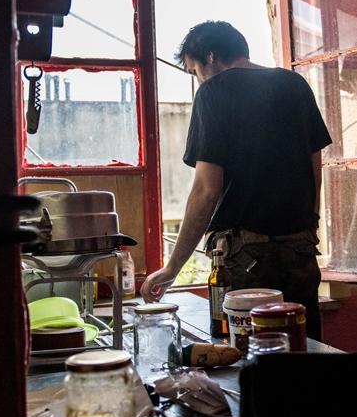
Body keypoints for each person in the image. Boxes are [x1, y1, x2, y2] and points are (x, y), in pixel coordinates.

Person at [141, 21, 332, 340]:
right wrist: (307, 228)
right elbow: (315, 170)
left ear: (211, 56)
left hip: (245, 255)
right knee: (304, 348)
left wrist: (173, 268)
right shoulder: (294, 84)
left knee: (248, 354)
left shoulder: (213, 92)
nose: (197, 78)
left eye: (194, 70)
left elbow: (206, 190)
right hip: (300, 248)